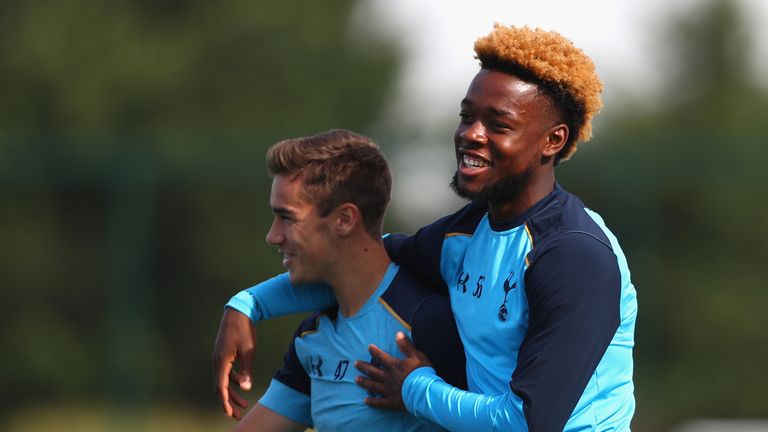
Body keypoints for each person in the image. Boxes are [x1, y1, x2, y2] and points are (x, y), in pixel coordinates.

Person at [214, 25, 637, 431]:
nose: (471, 134)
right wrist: (248, 305)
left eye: (498, 124)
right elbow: (359, 266)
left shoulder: (574, 255)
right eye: (467, 116)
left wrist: (415, 388)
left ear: (553, 140)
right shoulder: (466, 233)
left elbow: (527, 422)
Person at [226, 129, 466, 432]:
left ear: (344, 219)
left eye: (287, 218)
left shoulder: (429, 321)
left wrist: (423, 396)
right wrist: (241, 305)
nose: (272, 236)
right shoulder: (312, 335)